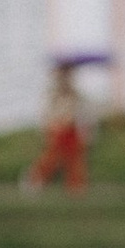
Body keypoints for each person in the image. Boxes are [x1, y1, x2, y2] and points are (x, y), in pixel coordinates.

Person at [21, 58, 92, 196]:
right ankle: (35, 180)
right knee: (52, 158)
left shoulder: (74, 92)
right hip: (57, 127)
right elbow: (47, 111)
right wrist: (49, 125)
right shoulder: (53, 92)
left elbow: (81, 111)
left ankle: (76, 187)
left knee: (75, 159)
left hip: (71, 128)